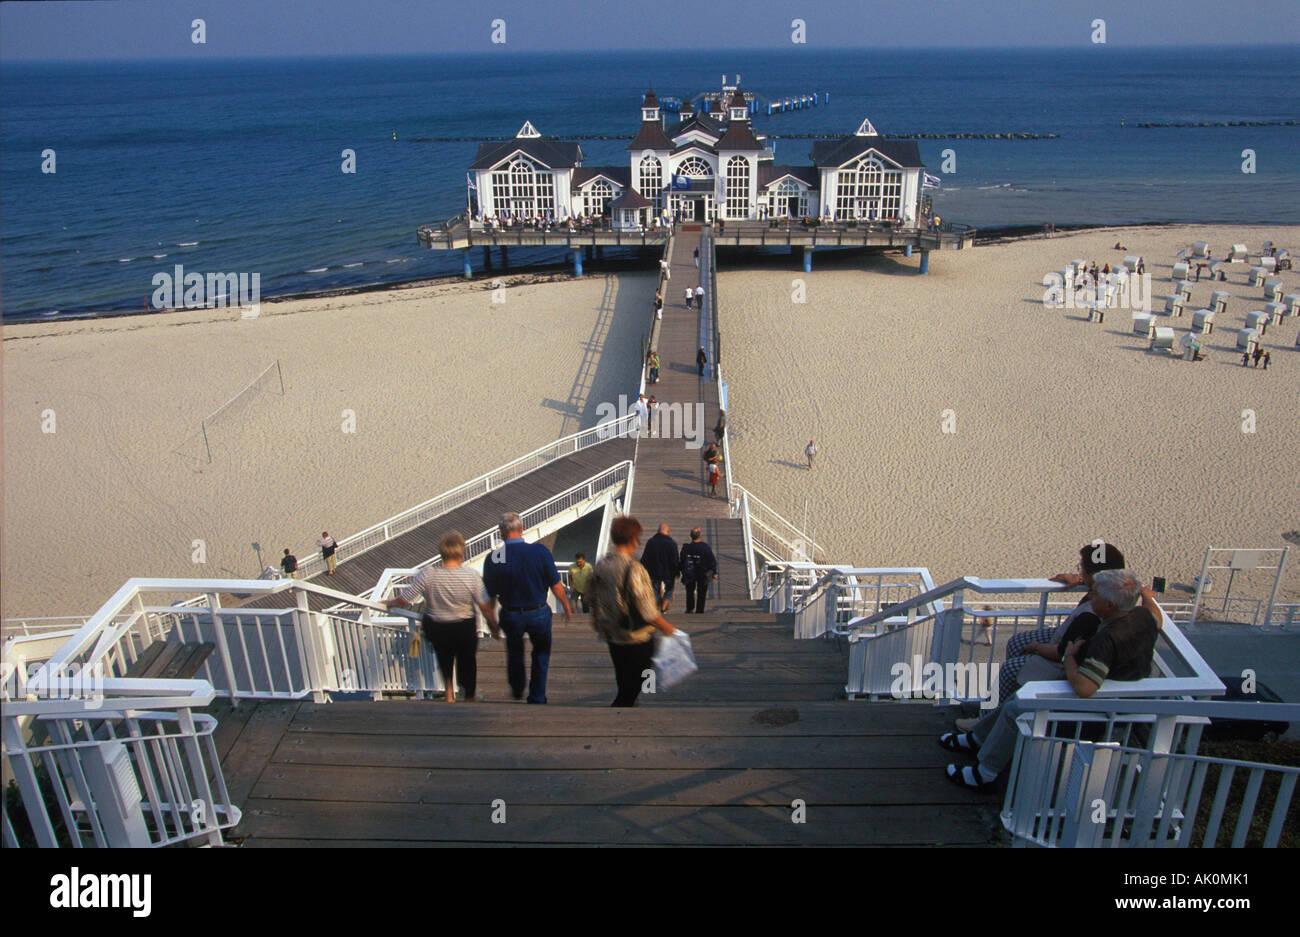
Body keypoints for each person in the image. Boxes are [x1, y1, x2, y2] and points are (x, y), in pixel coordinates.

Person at [943, 569, 1159, 792]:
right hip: (1121, 698)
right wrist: (1148, 597)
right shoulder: (1141, 617)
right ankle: (978, 739)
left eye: (1095, 594)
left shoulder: (1107, 639)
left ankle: (984, 773)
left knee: (1016, 708)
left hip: (1100, 710)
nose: (1090, 597)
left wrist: (1070, 656)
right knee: (1017, 697)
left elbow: (1084, 688)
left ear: (1110, 606)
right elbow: (1156, 616)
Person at [953, 542, 1130, 731]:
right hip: (1066, 639)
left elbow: (1063, 652)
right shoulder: (1108, 589)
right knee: (1016, 642)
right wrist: (1080, 579)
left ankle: (985, 723)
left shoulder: (1094, 613)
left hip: (1066, 661)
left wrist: (1037, 648)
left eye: (1082, 568)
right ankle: (998, 702)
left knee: (1010, 670)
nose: (1079, 571)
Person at [383, 531, 500, 703]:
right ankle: (469, 695)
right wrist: (494, 627)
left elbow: (405, 599)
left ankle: (449, 693)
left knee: (445, 659)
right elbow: (485, 607)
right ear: (461, 554)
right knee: (467, 661)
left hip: (438, 627)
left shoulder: (428, 574)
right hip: (464, 626)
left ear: (442, 554)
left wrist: (388, 602)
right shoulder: (470, 575)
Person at [482, 512, 572, 704]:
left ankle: (517, 688)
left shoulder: (494, 558)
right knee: (541, 653)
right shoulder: (540, 552)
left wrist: (492, 623)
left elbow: (489, 597)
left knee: (514, 651)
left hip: (511, 614)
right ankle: (537, 696)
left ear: (501, 533)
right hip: (538, 611)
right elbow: (556, 584)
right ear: (522, 529)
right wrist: (565, 604)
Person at [590, 516, 677, 707]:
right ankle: (625, 706)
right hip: (636, 634)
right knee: (644, 671)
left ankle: (630, 701)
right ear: (633, 540)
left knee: (622, 673)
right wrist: (669, 628)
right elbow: (647, 611)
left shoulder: (602, 565)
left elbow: (592, 598)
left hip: (613, 632)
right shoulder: (634, 569)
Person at [640, 523, 679, 613]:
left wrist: (642, 570)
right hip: (668, 573)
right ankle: (663, 607)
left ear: (657, 531)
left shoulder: (651, 542)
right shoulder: (672, 543)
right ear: (668, 532)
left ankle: (657, 605)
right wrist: (676, 571)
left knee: (654, 590)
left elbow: (645, 558)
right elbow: (675, 560)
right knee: (669, 590)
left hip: (653, 572)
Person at [679, 528, 718, 614]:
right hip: (702, 574)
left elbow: (682, 560)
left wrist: (681, 570)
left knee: (689, 592)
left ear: (691, 536)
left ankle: (689, 609)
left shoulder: (686, 548)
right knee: (702, 593)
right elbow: (712, 560)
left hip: (689, 573)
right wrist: (714, 572)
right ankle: (699, 610)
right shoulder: (705, 547)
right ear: (700, 536)